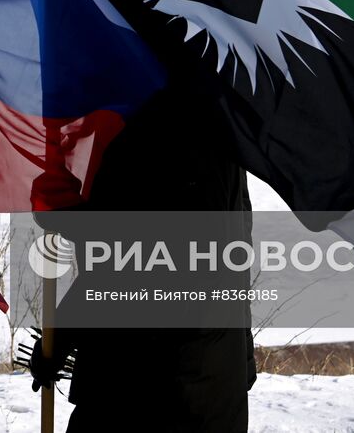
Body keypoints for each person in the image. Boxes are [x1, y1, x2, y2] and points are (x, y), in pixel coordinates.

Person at [26, 80, 256, 432]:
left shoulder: (148, 125)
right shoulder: (224, 133)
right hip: (212, 379)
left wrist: (61, 214)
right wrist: (243, 349)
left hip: (139, 383)